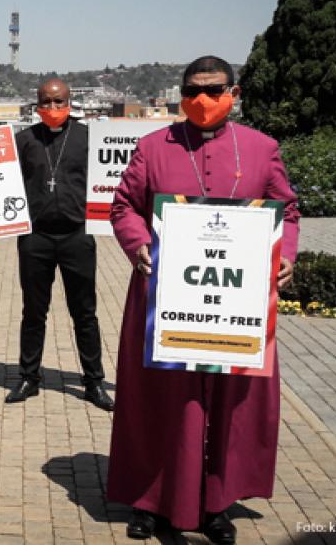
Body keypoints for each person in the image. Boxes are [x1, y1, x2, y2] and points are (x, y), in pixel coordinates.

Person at [106, 56, 300, 543]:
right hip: (165, 301)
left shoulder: (261, 148)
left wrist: (286, 256)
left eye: (214, 90)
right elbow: (124, 206)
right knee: (159, 403)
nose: (203, 100)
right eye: (193, 90)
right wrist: (138, 245)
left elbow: (288, 211)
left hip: (235, 305)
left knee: (228, 405)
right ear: (180, 93)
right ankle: (149, 501)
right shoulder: (153, 148)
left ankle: (217, 503)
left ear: (233, 93)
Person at [6, 78, 113, 411]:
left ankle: (94, 382)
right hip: (35, 236)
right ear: (36, 105)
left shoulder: (89, 138)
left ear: (70, 101)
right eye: (46, 102)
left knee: (84, 313)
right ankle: (28, 377)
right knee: (33, 312)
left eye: (58, 102)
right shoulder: (23, 140)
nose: (52, 109)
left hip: (76, 234)